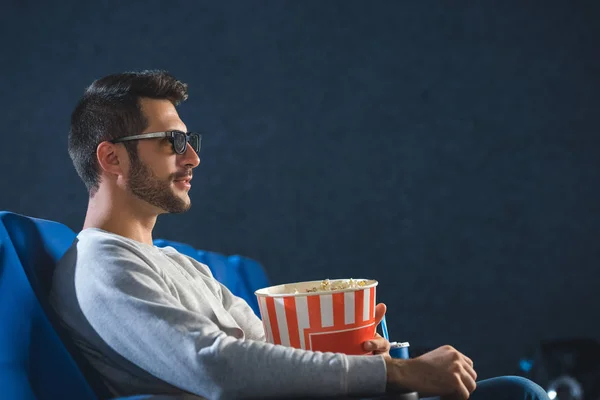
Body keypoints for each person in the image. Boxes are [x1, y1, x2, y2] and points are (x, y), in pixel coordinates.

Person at [50, 70, 548, 400]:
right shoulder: (102, 266)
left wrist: (359, 353)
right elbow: (213, 366)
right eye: (172, 142)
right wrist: (399, 373)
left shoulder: (178, 263)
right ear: (111, 157)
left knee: (512, 390)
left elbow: (268, 350)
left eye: (191, 141)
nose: (193, 157)